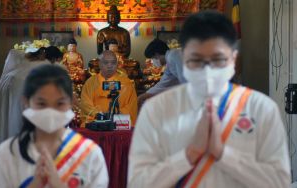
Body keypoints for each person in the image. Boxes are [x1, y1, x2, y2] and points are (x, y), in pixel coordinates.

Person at [128, 11, 290, 188]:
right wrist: (189, 155)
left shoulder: (261, 108)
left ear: (233, 59)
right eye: (197, 59)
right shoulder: (156, 111)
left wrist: (223, 154)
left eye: (217, 58)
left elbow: (279, 181)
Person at [0, 65, 108, 187]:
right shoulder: (9, 153)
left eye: (59, 103)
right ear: (26, 103)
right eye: (41, 103)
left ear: (72, 102)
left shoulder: (89, 154)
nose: (51, 111)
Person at [0, 46, 63, 145]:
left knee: (9, 124)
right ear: (54, 59)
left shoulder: (25, 65)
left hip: (12, 90)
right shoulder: (45, 69)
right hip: (23, 97)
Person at [80, 50, 137, 126]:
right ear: (100, 64)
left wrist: (115, 115)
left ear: (117, 64)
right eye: (106, 62)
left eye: (113, 63)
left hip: (119, 123)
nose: (110, 65)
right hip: (96, 123)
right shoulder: (90, 83)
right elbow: (86, 104)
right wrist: (99, 115)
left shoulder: (126, 83)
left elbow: (131, 106)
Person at [137, 39, 186, 107]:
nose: (152, 61)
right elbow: (163, 83)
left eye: (152, 58)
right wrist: (146, 95)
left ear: (157, 54)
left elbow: (186, 80)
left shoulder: (173, 55)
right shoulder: (169, 61)